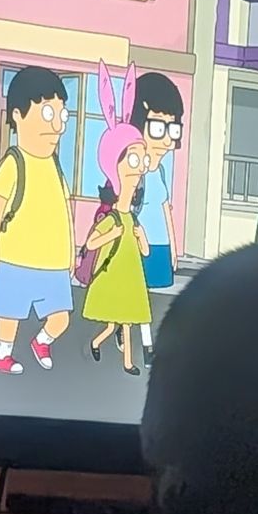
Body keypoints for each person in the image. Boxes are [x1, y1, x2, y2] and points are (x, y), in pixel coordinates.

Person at [0, 67, 74, 375]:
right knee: (9, 315)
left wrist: (71, 254)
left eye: (62, 115)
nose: (57, 125)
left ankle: (40, 341)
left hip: (53, 262)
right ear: (18, 115)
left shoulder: (56, 166)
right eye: (48, 113)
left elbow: (65, 213)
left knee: (61, 318)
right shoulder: (13, 163)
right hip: (13, 258)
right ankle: (3, 356)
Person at [83, 61, 153, 376]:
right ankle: (101, 346)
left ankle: (122, 359)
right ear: (115, 165)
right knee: (115, 322)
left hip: (130, 274)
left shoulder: (132, 219)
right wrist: (113, 236)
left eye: (142, 158)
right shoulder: (112, 217)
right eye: (134, 158)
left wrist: (141, 238)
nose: (140, 168)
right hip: (113, 272)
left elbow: (146, 251)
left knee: (124, 321)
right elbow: (91, 241)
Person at [115, 71, 184, 366]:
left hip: (158, 243)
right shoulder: (133, 171)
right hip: (137, 241)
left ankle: (122, 325)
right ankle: (141, 343)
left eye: (173, 129)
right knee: (138, 296)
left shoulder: (162, 171)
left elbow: (166, 208)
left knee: (141, 292)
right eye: (158, 127)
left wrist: (174, 245)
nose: (167, 138)